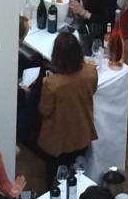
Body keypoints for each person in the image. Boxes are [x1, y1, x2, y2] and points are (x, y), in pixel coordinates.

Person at [38, 30, 98, 180]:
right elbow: (93, 90)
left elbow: (45, 110)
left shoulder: (51, 84)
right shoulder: (91, 72)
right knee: (77, 170)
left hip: (59, 139)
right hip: (82, 132)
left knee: (55, 174)